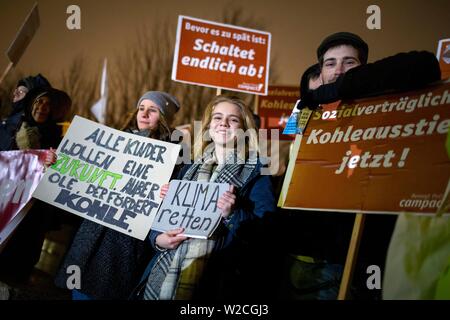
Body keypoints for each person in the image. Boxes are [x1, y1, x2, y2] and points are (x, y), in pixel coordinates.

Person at [285, 32, 441, 300]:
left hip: (358, 260)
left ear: (364, 69)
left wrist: (342, 87)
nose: (338, 71)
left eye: (349, 63)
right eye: (330, 64)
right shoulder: (310, 112)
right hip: (307, 261)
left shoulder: (383, 105)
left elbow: (425, 64)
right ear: (319, 71)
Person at [137, 95, 276, 300]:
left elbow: (267, 229)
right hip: (162, 274)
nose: (224, 123)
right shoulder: (188, 168)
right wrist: (158, 238)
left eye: (233, 119)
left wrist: (232, 214)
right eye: (217, 117)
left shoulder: (257, 171)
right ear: (209, 126)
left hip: (215, 278)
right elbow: (158, 223)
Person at [54, 91, 181, 300]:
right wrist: (58, 165)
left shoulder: (175, 155)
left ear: (164, 117)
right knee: (76, 290)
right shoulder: (113, 142)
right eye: (141, 108)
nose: (145, 114)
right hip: (89, 238)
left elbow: (172, 206)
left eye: (153, 110)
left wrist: (168, 193)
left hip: (124, 246)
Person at [0, 87, 71, 284]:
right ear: (31, 104)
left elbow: (61, 177)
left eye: (48, 104)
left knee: (15, 270)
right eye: (39, 102)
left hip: (31, 217)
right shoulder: (9, 131)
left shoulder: (57, 139)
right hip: (4, 205)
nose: (43, 107)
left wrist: (53, 163)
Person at [0, 74, 52, 151]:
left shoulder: (27, 124)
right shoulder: (10, 120)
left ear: (32, 97)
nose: (15, 93)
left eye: (21, 91)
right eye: (16, 90)